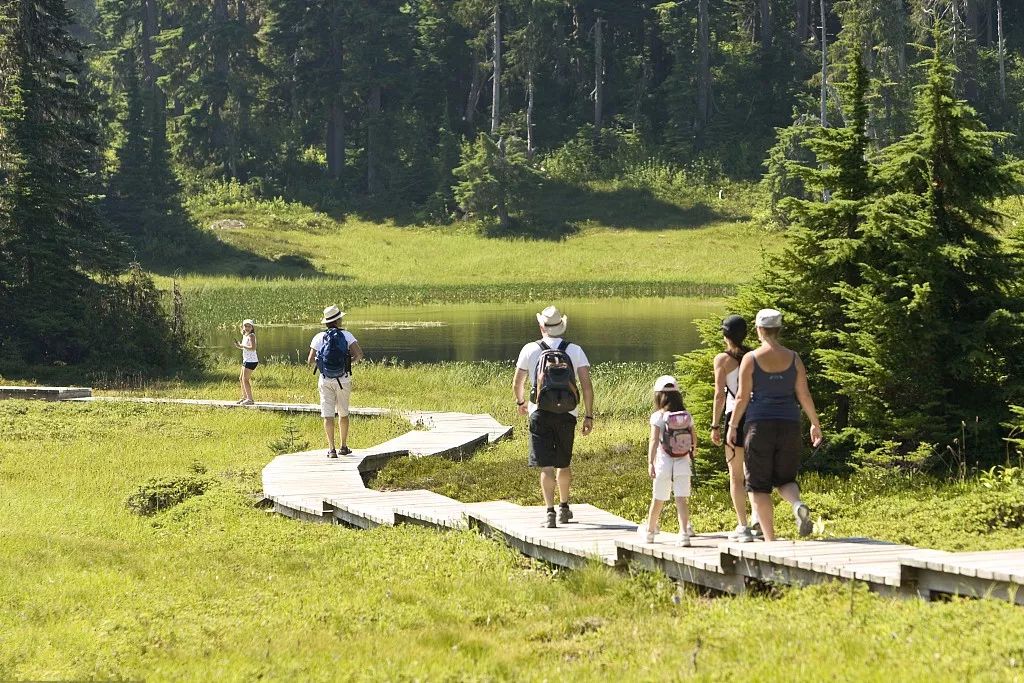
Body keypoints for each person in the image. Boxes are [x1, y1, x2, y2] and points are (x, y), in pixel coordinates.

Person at [727, 308, 823, 541]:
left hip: (759, 425)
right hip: (790, 423)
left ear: (759, 330)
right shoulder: (794, 358)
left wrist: (732, 426)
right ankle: (797, 504)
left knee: (758, 487)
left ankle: (770, 540)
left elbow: (741, 397)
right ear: (778, 330)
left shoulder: (751, 358)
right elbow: (804, 394)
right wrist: (814, 424)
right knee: (786, 479)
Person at [512, 305, 594, 528]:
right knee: (563, 464)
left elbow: (517, 383)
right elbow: (586, 387)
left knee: (546, 466)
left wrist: (521, 403)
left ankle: (549, 512)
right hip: (568, 413)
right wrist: (589, 416)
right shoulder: (575, 350)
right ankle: (564, 508)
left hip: (539, 412)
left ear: (542, 327)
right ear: (561, 327)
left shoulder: (529, 349)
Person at [711, 314, 756, 542]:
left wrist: (715, 425)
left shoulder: (722, 359)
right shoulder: (753, 356)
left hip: (734, 417)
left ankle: (743, 526)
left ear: (725, 335)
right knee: (755, 471)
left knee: (736, 476)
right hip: (757, 416)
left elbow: (720, 394)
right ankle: (759, 518)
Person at [640, 375, 695, 547]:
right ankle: (684, 534)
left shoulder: (658, 416)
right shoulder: (686, 415)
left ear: (658, 396)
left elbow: (654, 441)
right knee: (681, 499)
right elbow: (693, 439)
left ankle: (650, 533)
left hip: (663, 462)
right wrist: (691, 452)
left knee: (658, 498)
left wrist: (650, 462)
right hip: (683, 462)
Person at [306, 305, 364, 458]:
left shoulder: (318, 337)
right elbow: (359, 355)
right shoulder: (347, 335)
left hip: (325, 380)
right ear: (338, 320)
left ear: (326, 322)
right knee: (343, 414)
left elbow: (310, 360)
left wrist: (324, 364)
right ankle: (343, 446)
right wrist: (347, 363)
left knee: (328, 415)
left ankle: (331, 449)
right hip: (343, 379)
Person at [234, 319, 258, 405]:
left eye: (249, 326)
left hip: (251, 361)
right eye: (245, 326)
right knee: (241, 378)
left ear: (252, 328)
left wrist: (242, 345)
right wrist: (239, 346)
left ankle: (250, 399)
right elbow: (245, 347)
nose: (247, 328)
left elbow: (253, 348)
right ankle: (244, 397)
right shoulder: (245, 335)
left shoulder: (251, 336)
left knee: (245, 379)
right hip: (246, 360)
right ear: (243, 327)